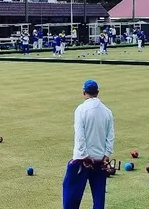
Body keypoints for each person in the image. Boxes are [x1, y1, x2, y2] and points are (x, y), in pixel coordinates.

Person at [62, 79, 115, 209]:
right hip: (100, 160)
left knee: (71, 196)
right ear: (97, 92)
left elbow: (80, 136)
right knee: (99, 199)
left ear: (84, 92)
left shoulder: (81, 110)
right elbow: (111, 136)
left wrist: (84, 155)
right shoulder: (107, 111)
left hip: (82, 161)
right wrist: (106, 154)